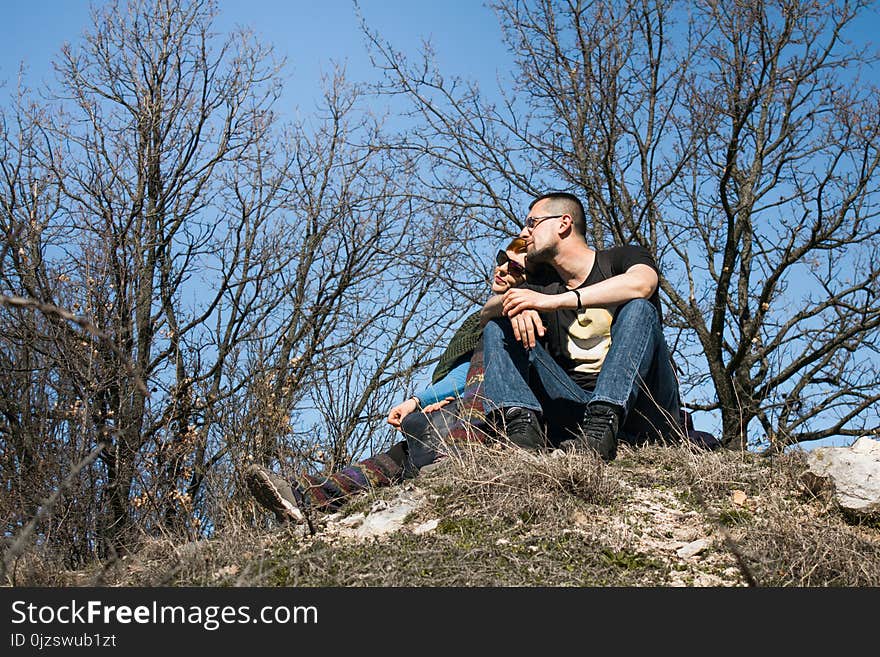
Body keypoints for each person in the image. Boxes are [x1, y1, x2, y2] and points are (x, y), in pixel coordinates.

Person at [245, 237, 530, 524]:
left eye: (515, 269)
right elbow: (466, 372)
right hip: (469, 408)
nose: (502, 268)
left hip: (501, 417)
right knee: (399, 455)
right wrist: (424, 401)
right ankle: (305, 496)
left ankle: (458, 455)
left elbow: (489, 369)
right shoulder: (481, 319)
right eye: (501, 259)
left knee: (424, 443)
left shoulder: (521, 318)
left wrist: (426, 400)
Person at [479, 191, 682, 461]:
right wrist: (514, 302)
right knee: (498, 327)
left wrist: (555, 302)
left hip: (642, 409)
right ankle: (523, 433)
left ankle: (602, 426)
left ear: (563, 223)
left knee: (638, 307)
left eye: (531, 222)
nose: (524, 232)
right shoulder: (542, 284)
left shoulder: (621, 258)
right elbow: (484, 314)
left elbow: (642, 284)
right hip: (575, 408)